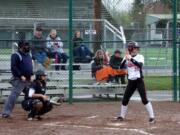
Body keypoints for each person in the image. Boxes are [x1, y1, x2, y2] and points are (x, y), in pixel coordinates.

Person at [116, 41, 155, 123]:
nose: (136, 50)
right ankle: (121, 116)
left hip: (139, 81)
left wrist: (131, 59)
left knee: (144, 99)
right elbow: (121, 67)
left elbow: (139, 65)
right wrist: (125, 59)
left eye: (137, 48)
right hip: (131, 81)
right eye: (135, 48)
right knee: (125, 99)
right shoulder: (127, 57)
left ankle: (152, 117)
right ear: (131, 49)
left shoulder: (140, 56)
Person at [1, 41, 33, 118]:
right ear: (21, 47)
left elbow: (29, 66)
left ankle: (33, 110)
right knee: (14, 96)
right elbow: (13, 67)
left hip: (28, 79)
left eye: (28, 45)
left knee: (31, 94)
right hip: (19, 79)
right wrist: (20, 75)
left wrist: (32, 74)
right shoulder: (16, 55)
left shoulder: (28, 55)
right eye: (26, 46)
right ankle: (6, 113)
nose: (28, 47)